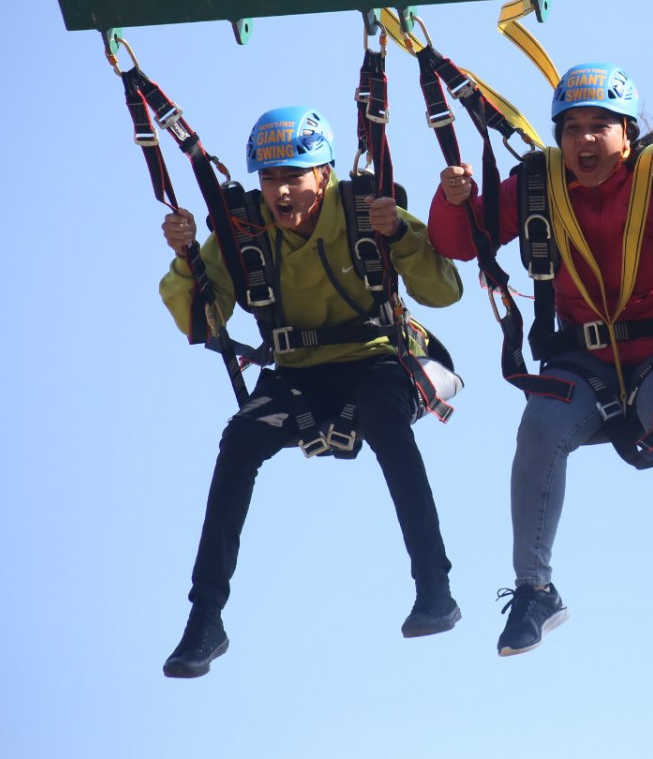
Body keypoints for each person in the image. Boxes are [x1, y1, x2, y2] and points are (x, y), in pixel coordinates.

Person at [429, 62, 653, 656]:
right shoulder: (539, 182)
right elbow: (462, 243)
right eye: (573, 128)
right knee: (539, 427)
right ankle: (535, 589)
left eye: (600, 127)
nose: (585, 140)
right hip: (586, 361)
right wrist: (455, 198)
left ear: (628, 133)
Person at [157, 106, 465, 678]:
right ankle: (205, 618)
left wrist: (397, 232)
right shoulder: (243, 232)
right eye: (269, 178)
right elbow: (205, 322)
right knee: (239, 442)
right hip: (298, 375)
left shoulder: (366, 213)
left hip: (379, 359)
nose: (280, 191)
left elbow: (445, 292)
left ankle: (434, 588)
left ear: (322, 174)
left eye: (293, 176)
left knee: (382, 419)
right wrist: (186, 259)